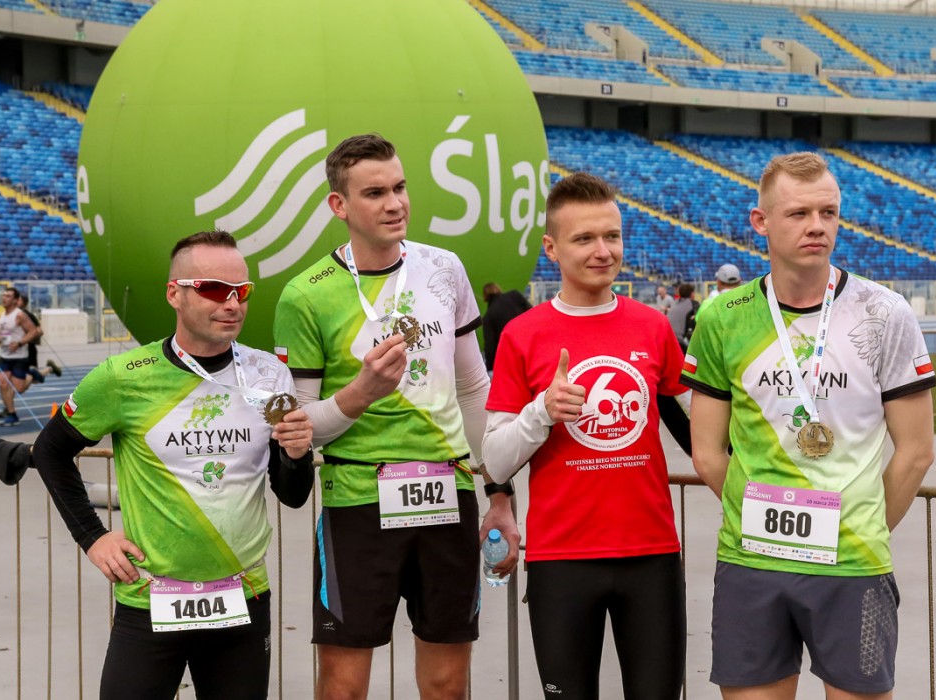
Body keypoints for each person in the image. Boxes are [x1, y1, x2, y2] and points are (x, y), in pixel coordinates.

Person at [272, 133, 519, 700]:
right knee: (343, 686)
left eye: (400, 187)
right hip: (358, 502)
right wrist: (361, 393)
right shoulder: (304, 295)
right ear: (339, 205)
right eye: (375, 193)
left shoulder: (445, 268)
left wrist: (499, 494)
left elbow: (472, 389)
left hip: (448, 496)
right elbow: (297, 431)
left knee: (448, 684)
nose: (395, 203)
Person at [686, 152, 936, 700]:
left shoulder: (885, 312)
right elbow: (705, 452)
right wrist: (760, 516)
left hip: (854, 565)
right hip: (751, 562)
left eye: (828, 212)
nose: (817, 226)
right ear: (761, 221)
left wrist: (860, 527)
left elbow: (917, 451)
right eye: (799, 213)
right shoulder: (722, 317)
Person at [33, 231, 315, 699]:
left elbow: (293, 493)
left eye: (242, 291)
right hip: (150, 599)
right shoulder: (122, 378)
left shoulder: (269, 374)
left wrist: (296, 454)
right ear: (174, 294)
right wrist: (93, 537)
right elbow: (50, 450)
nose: (232, 304)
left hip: (242, 597)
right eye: (213, 289)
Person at [483, 172, 691, 700]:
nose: (603, 251)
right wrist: (542, 411)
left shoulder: (653, 326)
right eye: (584, 239)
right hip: (562, 559)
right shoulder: (522, 335)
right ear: (551, 248)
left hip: (651, 553)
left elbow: (704, 428)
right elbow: (495, 460)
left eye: (612, 236)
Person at [0, 287, 41, 426]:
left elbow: (34, 331)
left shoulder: (20, 315)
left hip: (19, 357)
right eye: (3, 295)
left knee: (18, 389)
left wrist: (20, 343)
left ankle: (32, 375)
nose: (4, 298)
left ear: (15, 300)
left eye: (8, 296)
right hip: (4, 356)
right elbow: (1, 338)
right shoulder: (1, 316)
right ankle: (12, 414)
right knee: (3, 384)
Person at [481, 282, 531, 373]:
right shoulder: (515, 295)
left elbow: (490, 346)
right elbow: (532, 312)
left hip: (511, 358)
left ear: (485, 296)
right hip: (530, 346)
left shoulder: (488, 316)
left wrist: (490, 368)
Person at [18, 294, 61, 388]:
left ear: (24, 303)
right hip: (18, 351)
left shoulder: (28, 315)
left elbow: (40, 331)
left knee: (32, 378)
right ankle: (50, 368)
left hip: (29, 349)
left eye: (19, 300)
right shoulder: (12, 315)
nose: (16, 302)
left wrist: (27, 337)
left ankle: (49, 368)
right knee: (29, 379)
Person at [667, 283, 698, 347]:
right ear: (692, 294)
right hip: (681, 340)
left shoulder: (674, 303)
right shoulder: (693, 304)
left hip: (668, 337)